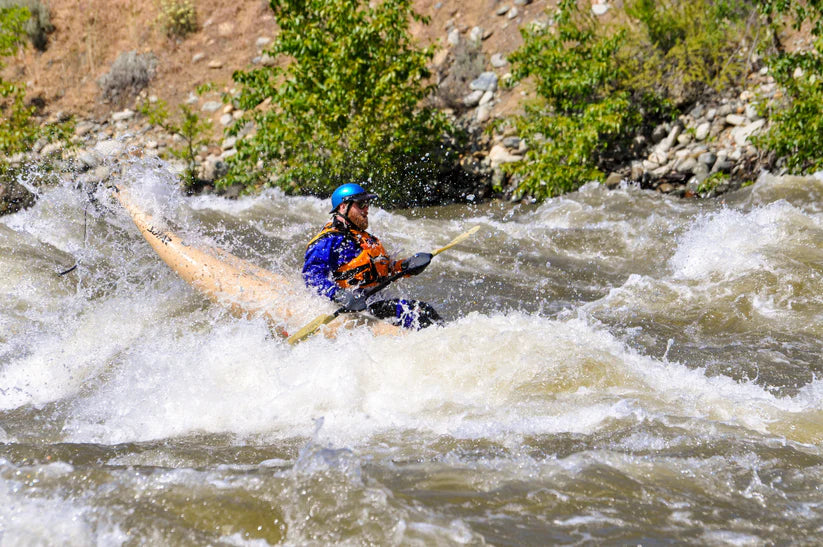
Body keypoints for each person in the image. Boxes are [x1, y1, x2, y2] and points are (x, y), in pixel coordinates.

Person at [302, 183, 443, 329]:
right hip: (354, 308)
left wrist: (406, 266)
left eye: (367, 203)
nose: (366, 209)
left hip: (374, 302)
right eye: (361, 204)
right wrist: (340, 296)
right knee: (414, 313)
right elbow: (312, 277)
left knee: (425, 310)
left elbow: (384, 269)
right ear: (343, 207)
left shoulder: (367, 239)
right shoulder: (327, 240)